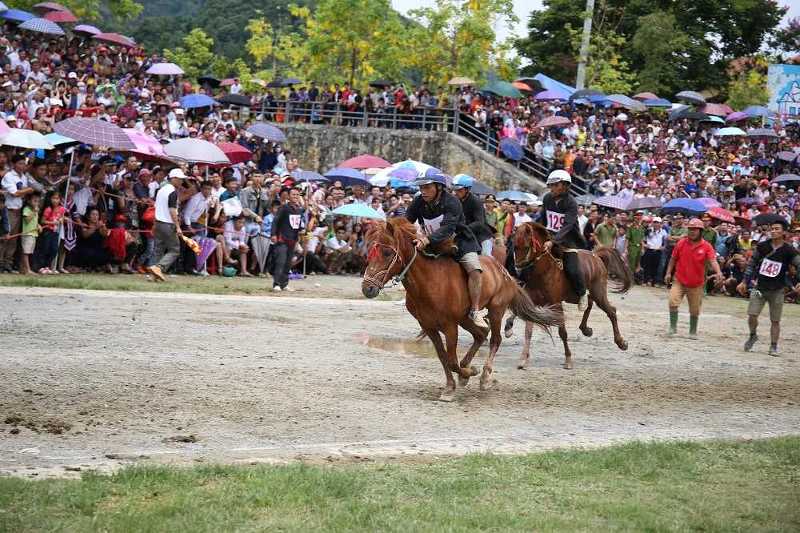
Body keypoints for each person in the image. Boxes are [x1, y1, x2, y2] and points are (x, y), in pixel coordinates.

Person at [405, 172, 486, 328]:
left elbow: (448, 228)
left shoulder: (452, 202)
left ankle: (475, 310)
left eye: (427, 187)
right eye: (421, 187)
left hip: (460, 242)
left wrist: (426, 239)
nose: (423, 191)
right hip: (432, 244)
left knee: (475, 270)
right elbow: (406, 221)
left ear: (439, 187)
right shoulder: (418, 201)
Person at [737, 219, 800, 356]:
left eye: (777, 229)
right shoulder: (762, 246)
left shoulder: (789, 250)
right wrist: (744, 281)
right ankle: (753, 335)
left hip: (777, 289)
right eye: (772, 228)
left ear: (784, 232)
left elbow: (798, 264)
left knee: (775, 320)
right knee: (752, 315)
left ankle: (773, 346)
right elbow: (752, 264)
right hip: (760, 287)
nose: (774, 231)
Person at [663, 218, 723, 337]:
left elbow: (713, 260)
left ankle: (692, 331)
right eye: (690, 229)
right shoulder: (681, 243)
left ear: (700, 231)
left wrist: (719, 272)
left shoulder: (706, 246)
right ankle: (673, 327)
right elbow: (673, 259)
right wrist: (668, 273)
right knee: (672, 302)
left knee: (695, 310)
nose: (692, 232)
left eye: (695, 229)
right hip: (679, 280)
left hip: (696, 283)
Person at [539, 169, 587, 309]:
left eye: (555, 185)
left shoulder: (572, 203)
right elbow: (543, 219)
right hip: (549, 236)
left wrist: (552, 242)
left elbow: (567, 226)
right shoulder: (547, 198)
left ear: (565, 186)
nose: (551, 188)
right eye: (551, 185)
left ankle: (582, 293)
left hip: (567, 240)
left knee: (572, 269)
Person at [148, 168, 188, 282]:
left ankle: (152, 275)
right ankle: (159, 267)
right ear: (173, 178)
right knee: (175, 249)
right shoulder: (172, 192)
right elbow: (172, 210)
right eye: (180, 179)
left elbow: (157, 207)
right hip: (168, 224)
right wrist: (178, 226)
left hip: (158, 222)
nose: (181, 182)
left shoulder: (161, 189)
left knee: (158, 249)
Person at [271, 187, 305, 292]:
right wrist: (273, 234)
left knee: (288, 263)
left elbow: (297, 225)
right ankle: (276, 283)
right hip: (282, 239)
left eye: (297, 195)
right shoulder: (284, 208)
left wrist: (302, 231)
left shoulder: (299, 210)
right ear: (289, 196)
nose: (295, 197)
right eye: (293, 194)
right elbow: (275, 221)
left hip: (293, 239)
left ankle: (284, 284)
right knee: (280, 261)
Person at [451, 175, 494, 256]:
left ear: (468, 189)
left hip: (481, 234)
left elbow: (479, 222)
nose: (456, 192)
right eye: (455, 190)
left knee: (486, 255)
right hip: (463, 234)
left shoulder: (476, 202)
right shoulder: (455, 200)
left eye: (459, 190)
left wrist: (463, 229)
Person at [20, 192, 41, 275]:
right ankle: (27, 270)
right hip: (27, 234)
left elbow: (34, 221)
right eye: (35, 201)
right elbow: (27, 220)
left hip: (33, 233)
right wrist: (34, 212)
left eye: (38, 201)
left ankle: (23, 269)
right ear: (29, 201)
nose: (36, 203)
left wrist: (38, 225)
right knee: (26, 252)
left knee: (28, 252)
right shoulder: (27, 209)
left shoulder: (35, 211)